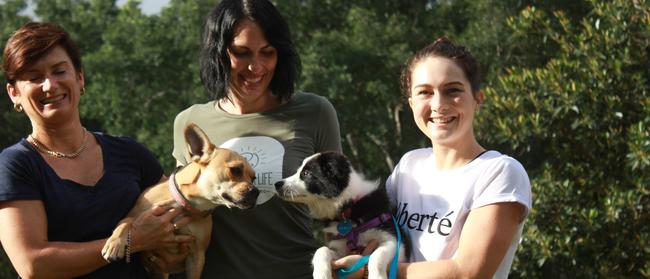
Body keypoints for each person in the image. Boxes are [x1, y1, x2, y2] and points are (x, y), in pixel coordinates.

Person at [0, 22, 192, 278]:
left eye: (59, 71)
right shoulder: (15, 165)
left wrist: (172, 255)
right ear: (14, 93)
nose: (50, 85)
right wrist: (131, 241)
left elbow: (179, 217)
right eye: (35, 78)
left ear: (80, 77)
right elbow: (33, 265)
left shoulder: (130, 153)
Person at [167, 0, 342, 278]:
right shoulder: (190, 124)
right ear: (219, 53)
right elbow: (182, 210)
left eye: (267, 53)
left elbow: (338, 207)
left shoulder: (315, 112)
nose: (256, 67)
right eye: (242, 52)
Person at [334, 37, 532, 278]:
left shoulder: (499, 172)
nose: (438, 104)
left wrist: (369, 269)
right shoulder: (409, 166)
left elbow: (467, 273)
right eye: (425, 92)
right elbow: (376, 236)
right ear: (412, 104)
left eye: (453, 91)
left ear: (478, 99)